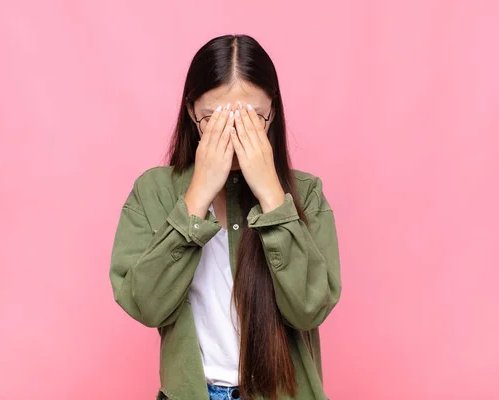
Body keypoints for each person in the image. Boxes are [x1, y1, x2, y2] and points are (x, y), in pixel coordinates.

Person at [109, 34, 341, 400]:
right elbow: (145, 306)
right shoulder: (153, 191)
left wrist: (272, 197)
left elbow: (310, 309)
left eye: (252, 119)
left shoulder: (306, 194)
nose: (233, 133)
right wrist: (197, 197)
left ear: (273, 112)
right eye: (214, 119)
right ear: (191, 112)